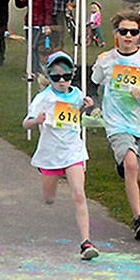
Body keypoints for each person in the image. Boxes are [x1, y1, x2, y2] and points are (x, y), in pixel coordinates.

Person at [90, 10, 140, 241]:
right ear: (116, 33)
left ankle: (124, 166)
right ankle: (139, 218)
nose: (128, 36)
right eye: (123, 32)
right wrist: (93, 105)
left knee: (134, 174)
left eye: (133, 32)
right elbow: (92, 85)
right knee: (132, 166)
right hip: (116, 123)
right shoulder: (106, 60)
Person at [23, 52, 97, 259]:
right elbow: (25, 123)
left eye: (66, 76)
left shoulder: (77, 94)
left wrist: (86, 107)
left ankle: (86, 243)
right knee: (49, 198)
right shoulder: (43, 98)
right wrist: (36, 120)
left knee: (79, 194)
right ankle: (49, 194)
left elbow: (75, 115)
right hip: (50, 154)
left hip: (73, 151)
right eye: (56, 77)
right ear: (49, 77)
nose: (62, 81)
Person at [24, 0, 54, 69]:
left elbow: (48, 11)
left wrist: (47, 26)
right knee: (32, 48)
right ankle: (37, 68)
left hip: (38, 25)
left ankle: (34, 69)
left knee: (32, 47)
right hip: (29, 24)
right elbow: (21, 4)